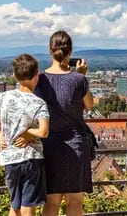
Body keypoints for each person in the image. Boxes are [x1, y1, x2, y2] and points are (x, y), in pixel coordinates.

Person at [0, 54, 50, 216]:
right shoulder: (39, 103)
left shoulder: (4, 97)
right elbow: (43, 132)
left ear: (14, 75)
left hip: (9, 157)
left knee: (15, 205)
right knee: (28, 204)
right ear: (37, 75)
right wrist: (27, 132)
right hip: (31, 157)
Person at [32, 30, 94, 216]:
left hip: (49, 146)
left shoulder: (39, 80)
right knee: (74, 202)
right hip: (76, 146)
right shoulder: (78, 79)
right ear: (71, 51)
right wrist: (82, 76)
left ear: (50, 50)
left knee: (51, 203)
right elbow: (89, 105)